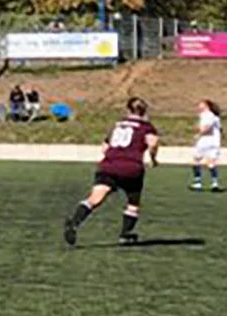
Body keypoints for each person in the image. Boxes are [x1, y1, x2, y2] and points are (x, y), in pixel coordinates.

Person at [63, 97, 159, 247]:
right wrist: (153, 158)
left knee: (94, 199)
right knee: (133, 203)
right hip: (130, 168)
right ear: (144, 111)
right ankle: (124, 235)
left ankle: (74, 223)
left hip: (109, 165)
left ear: (127, 110)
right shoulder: (146, 127)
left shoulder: (118, 125)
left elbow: (104, 147)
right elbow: (153, 143)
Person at [191, 99, 223, 192]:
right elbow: (220, 129)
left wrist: (199, 134)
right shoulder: (215, 117)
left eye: (200, 105)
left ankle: (198, 182)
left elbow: (206, 128)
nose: (198, 107)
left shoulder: (207, 115)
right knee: (211, 163)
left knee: (196, 160)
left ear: (206, 106)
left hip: (205, 141)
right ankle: (214, 182)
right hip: (214, 142)